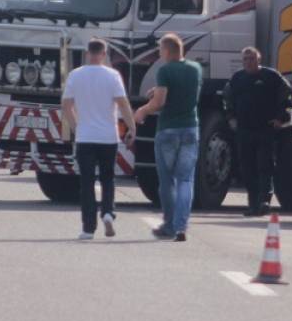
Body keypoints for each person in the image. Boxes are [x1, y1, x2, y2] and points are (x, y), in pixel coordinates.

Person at [61, 39, 136, 240]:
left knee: (86, 182)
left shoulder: (75, 75)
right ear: (104, 54)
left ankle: (88, 228)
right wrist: (131, 126)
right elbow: (123, 103)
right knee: (107, 178)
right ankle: (108, 213)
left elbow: (66, 105)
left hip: (85, 136)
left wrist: (76, 127)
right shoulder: (113, 75)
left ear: (87, 53)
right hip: (108, 137)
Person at [134, 33, 201, 242]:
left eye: (160, 50)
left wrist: (142, 110)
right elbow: (184, 91)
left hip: (168, 130)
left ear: (167, 50)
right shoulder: (195, 68)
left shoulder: (165, 70)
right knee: (185, 180)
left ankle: (169, 225)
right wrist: (158, 91)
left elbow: (160, 102)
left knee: (167, 181)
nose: (159, 54)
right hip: (190, 129)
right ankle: (181, 226)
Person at [224, 47, 291, 217]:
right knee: (247, 168)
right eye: (245, 59)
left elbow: (287, 95)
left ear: (259, 60)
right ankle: (253, 205)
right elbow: (227, 99)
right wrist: (231, 118)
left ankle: (264, 201)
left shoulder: (271, 76)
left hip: (265, 129)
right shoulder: (237, 78)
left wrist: (281, 118)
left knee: (265, 166)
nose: (248, 62)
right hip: (244, 130)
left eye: (252, 59)